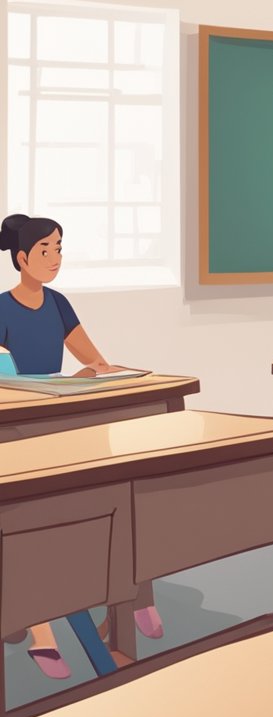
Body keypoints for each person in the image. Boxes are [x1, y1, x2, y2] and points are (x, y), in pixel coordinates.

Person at [0, 213, 163, 680]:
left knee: (113, 497)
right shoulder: (2, 308)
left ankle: (123, 600)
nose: (55, 259)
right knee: (36, 522)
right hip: (16, 429)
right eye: (46, 251)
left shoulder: (58, 303)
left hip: (61, 420)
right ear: (22, 258)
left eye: (59, 249)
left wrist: (103, 371)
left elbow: (94, 359)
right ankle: (41, 629)